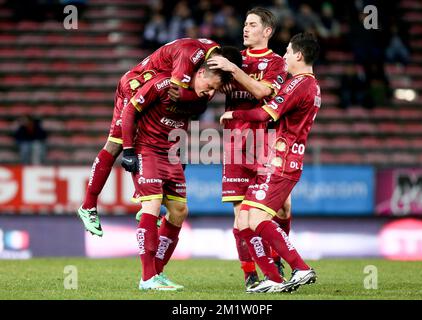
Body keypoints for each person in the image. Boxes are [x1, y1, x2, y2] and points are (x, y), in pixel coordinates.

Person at [77, 38, 240, 237]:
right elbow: (176, 96)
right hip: (136, 85)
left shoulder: (209, 62)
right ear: (219, 64)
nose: (217, 91)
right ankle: (89, 206)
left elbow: (190, 106)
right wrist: (130, 151)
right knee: (117, 144)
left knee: (156, 141)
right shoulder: (189, 54)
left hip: (156, 89)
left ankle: (146, 199)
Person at [120, 62, 237, 291]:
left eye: (215, 91)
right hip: (148, 151)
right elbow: (129, 110)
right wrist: (127, 150)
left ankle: (157, 272)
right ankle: (147, 278)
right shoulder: (164, 83)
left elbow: (182, 122)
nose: (210, 93)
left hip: (172, 155)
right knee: (151, 206)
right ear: (200, 73)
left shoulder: (197, 98)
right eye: (210, 86)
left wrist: (181, 148)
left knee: (180, 211)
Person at [219, 32, 320, 293]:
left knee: (256, 218)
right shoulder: (310, 85)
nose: (284, 56)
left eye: (287, 51)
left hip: (280, 161)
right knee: (246, 218)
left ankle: (300, 268)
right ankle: (273, 278)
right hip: (280, 159)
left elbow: (266, 112)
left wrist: (234, 113)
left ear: (299, 55)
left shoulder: (298, 84)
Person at [207, 7, 291, 290]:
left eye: (252, 25)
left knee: (280, 209)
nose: (245, 29)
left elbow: (262, 92)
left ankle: (277, 257)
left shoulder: (278, 63)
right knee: (240, 213)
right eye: (244, 24)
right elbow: (210, 84)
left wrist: (234, 71)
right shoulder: (234, 58)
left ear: (267, 31)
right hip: (234, 143)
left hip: (266, 142)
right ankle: (251, 275)